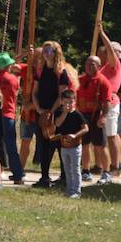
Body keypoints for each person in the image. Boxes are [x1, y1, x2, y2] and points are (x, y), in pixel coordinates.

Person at [30, 41, 76, 188]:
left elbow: (61, 94)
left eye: (49, 50)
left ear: (56, 52)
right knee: (43, 146)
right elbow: (34, 92)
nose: (46, 53)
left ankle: (64, 177)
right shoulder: (40, 70)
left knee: (58, 145)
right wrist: (39, 109)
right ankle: (44, 178)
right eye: (45, 50)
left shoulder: (61, 72)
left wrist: (51, 111)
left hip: (56, 114)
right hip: (42, 113)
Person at [76, 53, 112, 184]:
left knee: (100, 145)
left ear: (99, 66)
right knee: (84, 145)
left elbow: (107, 102)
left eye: (92, 64)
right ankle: (85, 171)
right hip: (82, 116)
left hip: (95, 115)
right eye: (87, 64)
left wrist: (103, 117)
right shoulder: (79, 79)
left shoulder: (103, 81)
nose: (89, 66)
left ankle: (106, 173)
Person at [0, 53, 25, 185]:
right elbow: (16, 93)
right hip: (8, 114)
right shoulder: (13, 79)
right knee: (11, 146)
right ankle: (18, 175)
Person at [94, 28, 121, 179]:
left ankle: (115, 166)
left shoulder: (114, 65)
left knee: (112, 135)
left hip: (111, 103)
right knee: (102, 136)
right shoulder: (102, 68)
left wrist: (101, 33)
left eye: (104, 52)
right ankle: (101, 165)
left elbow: (111, 50)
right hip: (100, 103)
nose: (102, 54)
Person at [50, 88, 88, 198]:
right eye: (66, 102)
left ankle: (77, 191)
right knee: (67, 168)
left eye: (71, 102)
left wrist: (75, 135)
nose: (68, 105)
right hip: (64, 146)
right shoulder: (59, 113)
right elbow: (58, 124)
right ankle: (69, 189)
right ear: (61, 102)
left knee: (75, 168)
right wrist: (65, 113)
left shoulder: (77, 115)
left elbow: (86, 128)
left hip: (75, 146)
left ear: (74, 102)